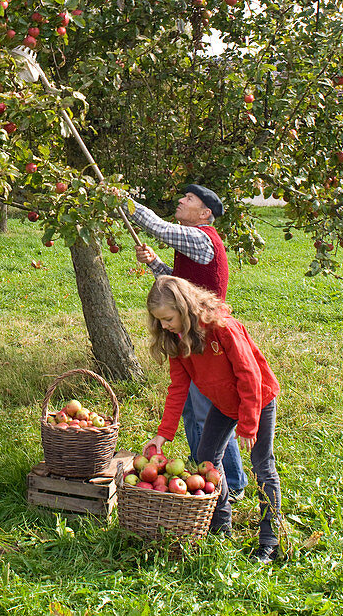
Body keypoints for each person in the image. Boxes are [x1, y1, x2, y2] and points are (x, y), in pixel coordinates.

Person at [143, 276, 282, 564]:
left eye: (168, 318)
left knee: (262, 465)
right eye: (160, 322)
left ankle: (270, 540)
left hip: (257, 399)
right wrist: (163, 433)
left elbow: (249, 376)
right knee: (207, 458)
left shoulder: (223, 329)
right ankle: (221, 524)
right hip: (223, 404)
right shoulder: (177, 341)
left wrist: (248, 423)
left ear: (184, 308)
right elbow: (178, 388)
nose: (165, 326)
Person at [130, 183, 248, 501]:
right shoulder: (193, 244)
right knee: (195, 413)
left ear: (205, 213)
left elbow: (156, 225)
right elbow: (181, 289)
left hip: (206, 340)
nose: (181, 200)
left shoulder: (199, 236)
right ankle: (208, 475)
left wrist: (122, 201)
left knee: (205, 414)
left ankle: (231, 484)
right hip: (193, 336)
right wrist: (156, 265)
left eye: (189, 199)